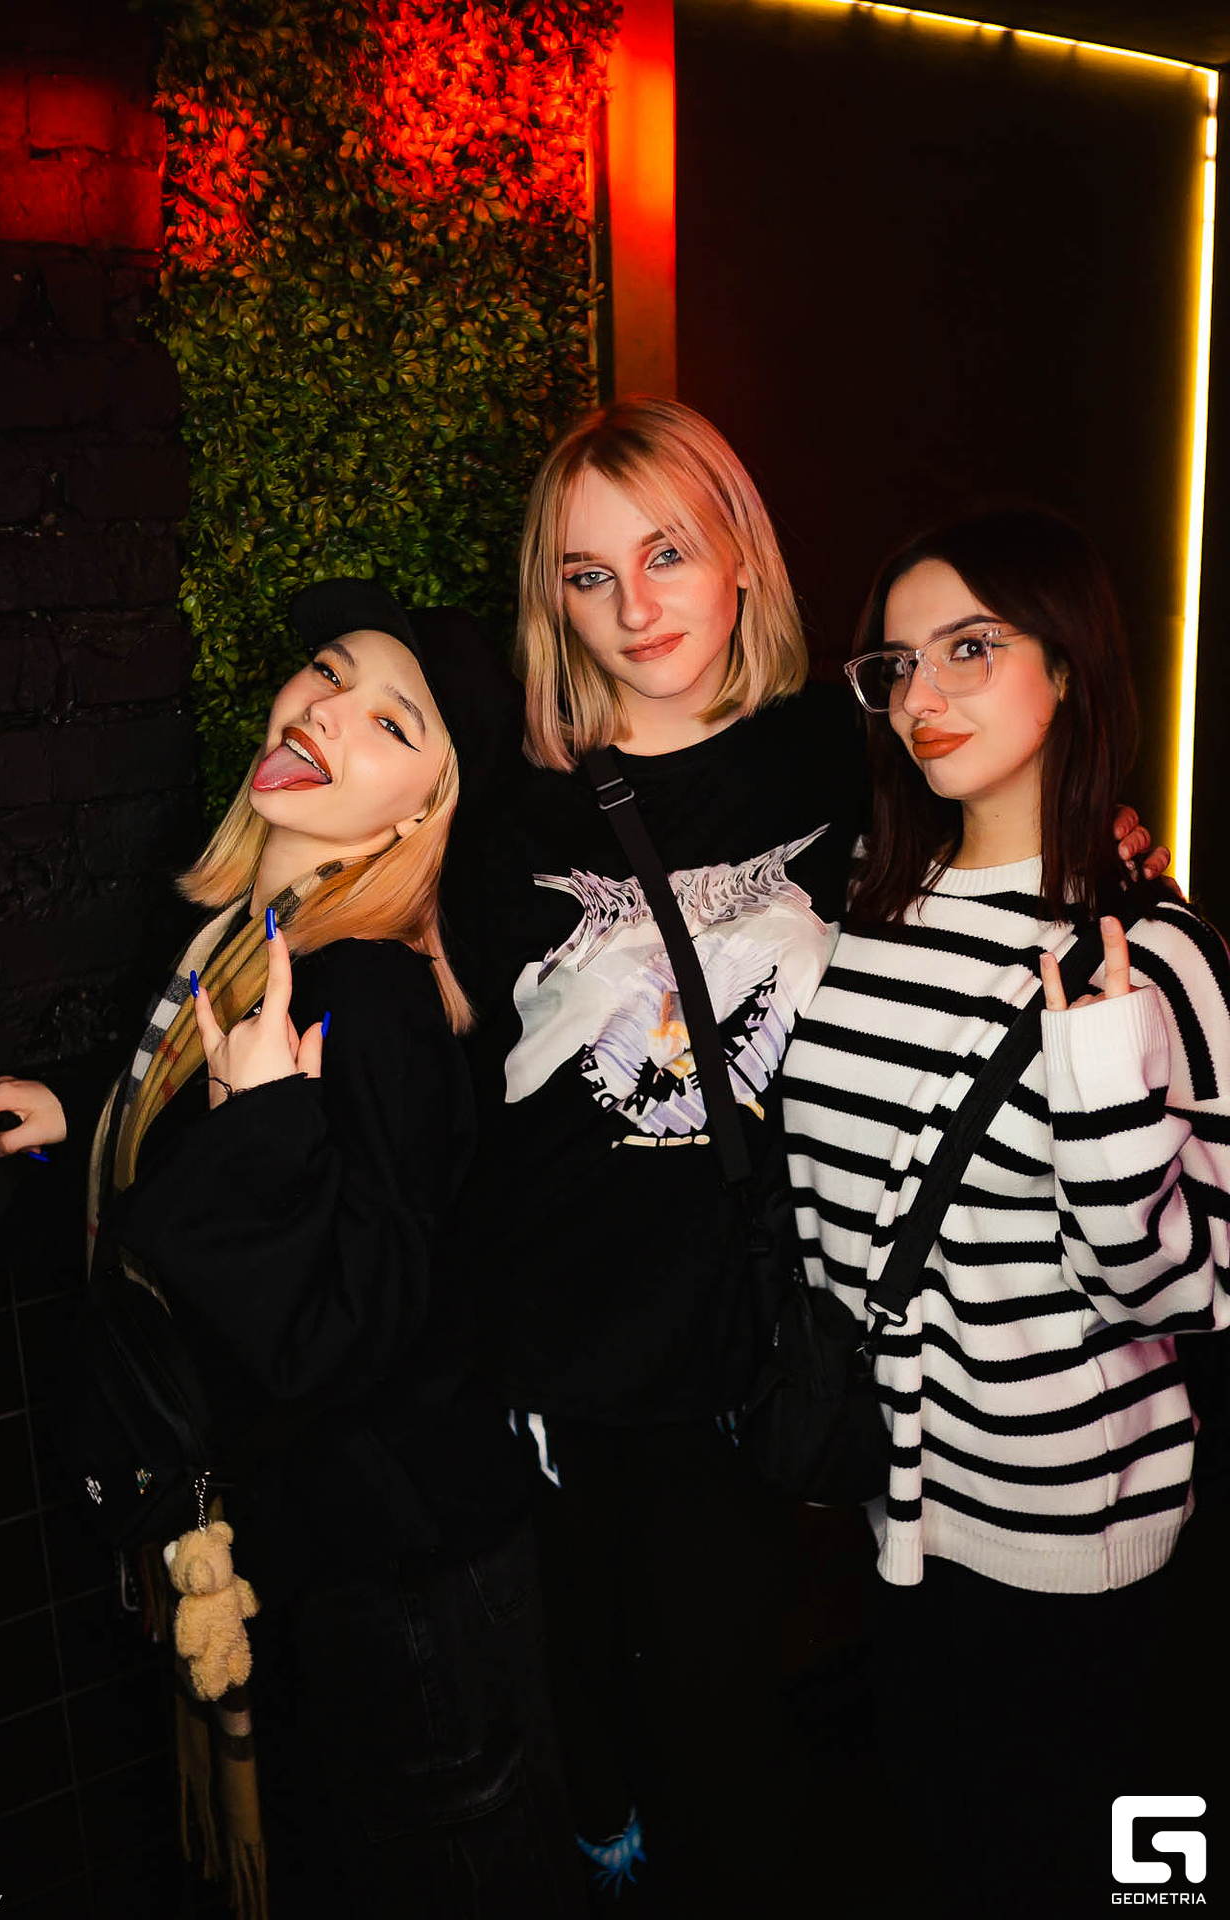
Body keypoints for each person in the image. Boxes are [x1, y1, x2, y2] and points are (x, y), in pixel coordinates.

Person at [440, 403, 1161, 1912]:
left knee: (728, 1736)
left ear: (740, 562)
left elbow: (996, 855)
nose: (635, 607)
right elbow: (399, 1002)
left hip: (755, 1342)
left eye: (668, 554)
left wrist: (1114, 859)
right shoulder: (509, 812)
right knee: (592, 1730)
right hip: (557, 1349)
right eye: (588, 575)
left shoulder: (845, 754)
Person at [0, 581, 585, 1920]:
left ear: (420, 813)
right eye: (328, 672)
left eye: (393, 721)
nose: (326, 709)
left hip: (407, 1586)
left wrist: (265, 1124)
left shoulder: (373, 990)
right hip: (333, 1561)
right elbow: (209, 1115)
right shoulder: (245, 941)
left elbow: (348, 1331)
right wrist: (82, 1103)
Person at [783, 508, 1230, 1917]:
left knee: (1118, 1882)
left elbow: (1186, 1294)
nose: (924, 693)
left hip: (1078, 1546)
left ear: (1070, 664)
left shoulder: (1156, 956)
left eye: (971, 648)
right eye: (897, 664)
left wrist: (1098, 1087)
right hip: (898, 1526)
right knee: (944, 1856)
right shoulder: (869, 910)